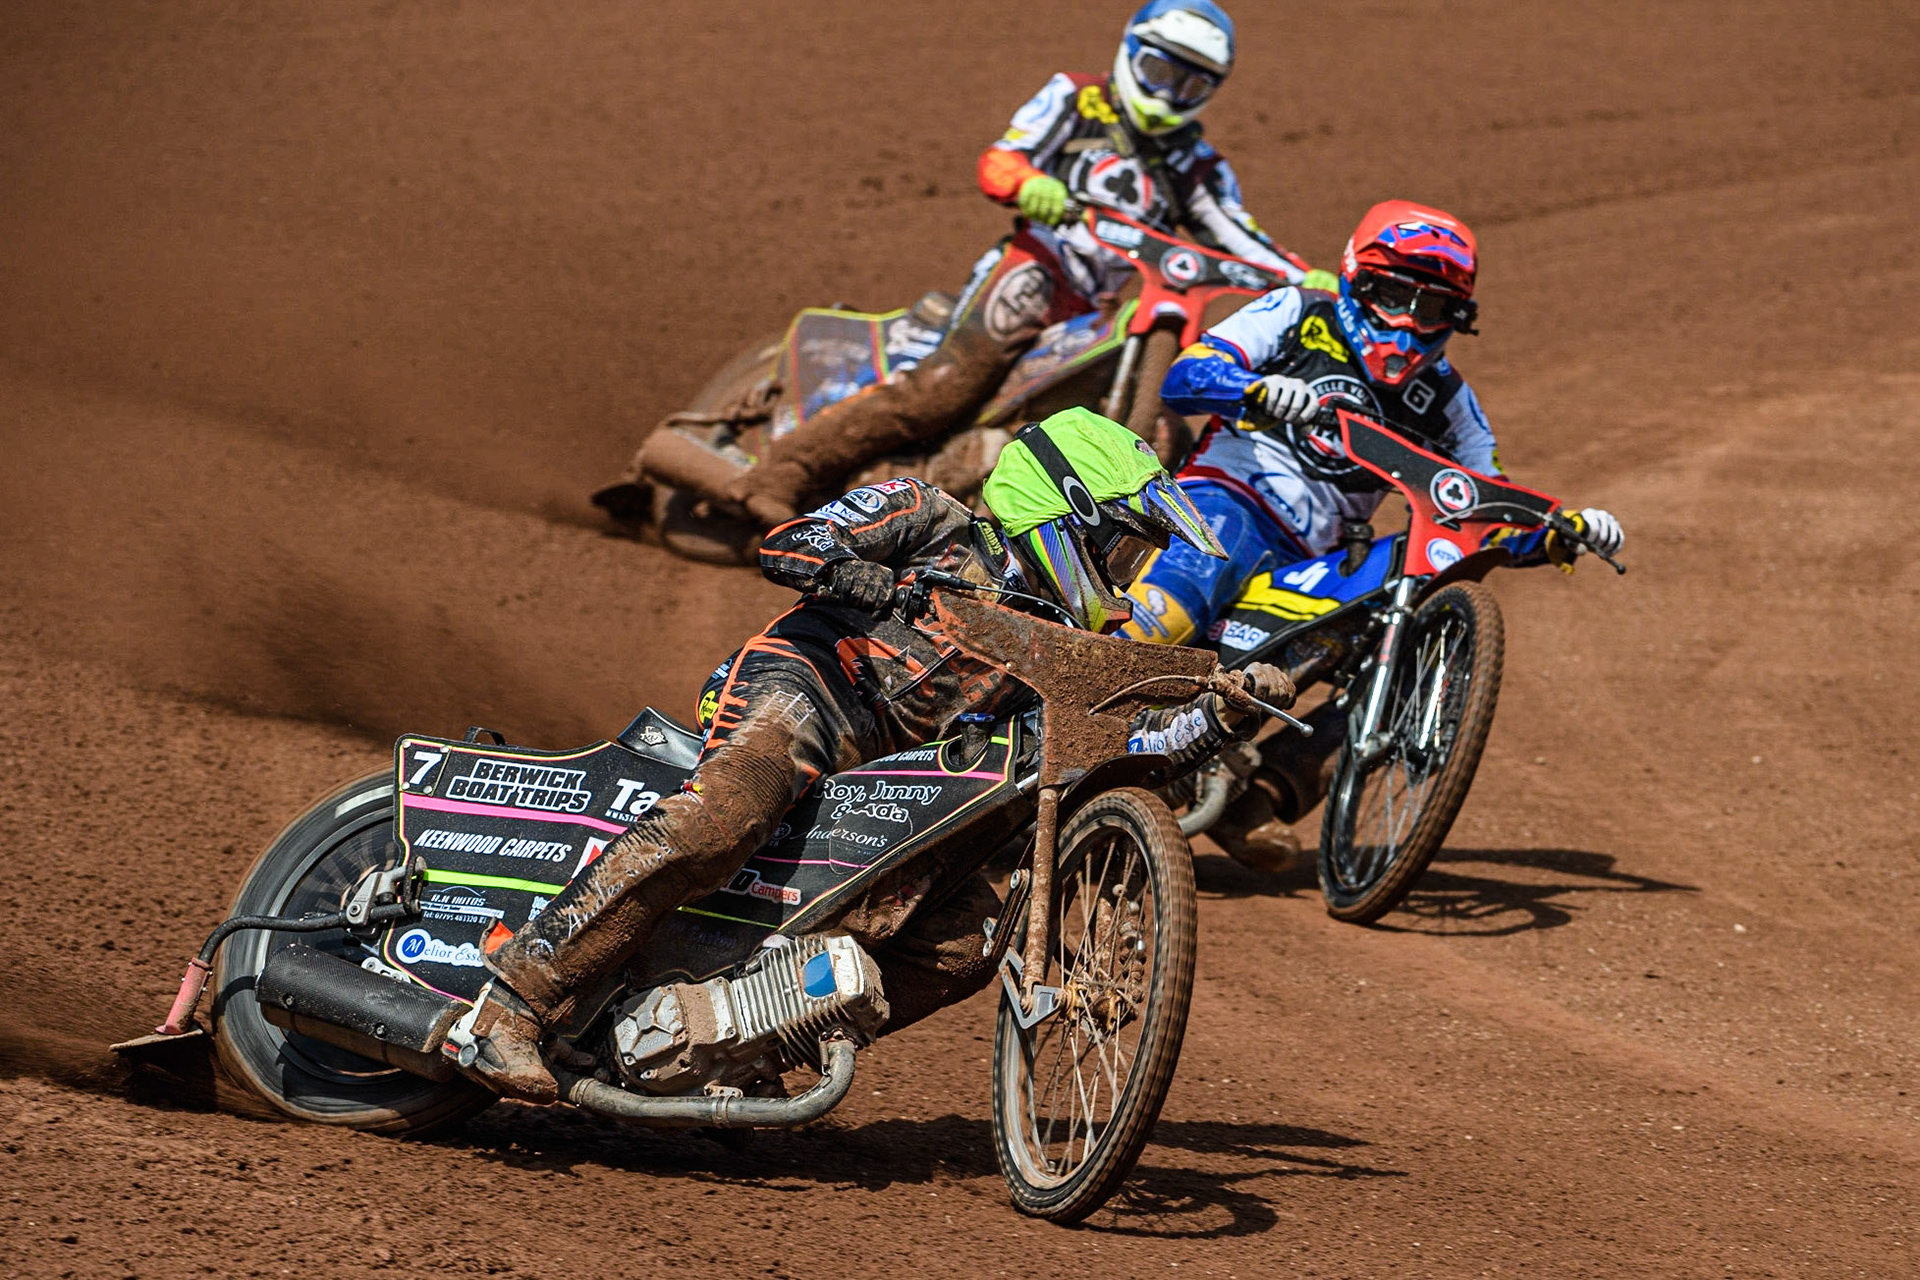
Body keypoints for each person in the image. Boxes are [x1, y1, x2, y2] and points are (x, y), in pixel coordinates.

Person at [461, 408, 1295, 1102]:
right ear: (1068, 511)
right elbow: (790, 541)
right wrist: (850, 573)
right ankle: (514, 1004)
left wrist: (1221, 712)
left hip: (907, 779)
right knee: (728, 814)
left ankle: (739, 1048)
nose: (1128, 572)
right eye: (1123, 546)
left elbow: (1129, 745)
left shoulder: (1073, 646)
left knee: (964, 945)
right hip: (813, 688)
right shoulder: (929, 513)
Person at [1117, 199, 1626, 866]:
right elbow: (1187, 375)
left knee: (1404, 624)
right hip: (1228, 499)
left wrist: (1564, 533)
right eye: (1393, 296)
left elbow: (1484, 506)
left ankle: (1256, 793)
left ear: (1457, 318)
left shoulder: (1447, 401)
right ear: (1357, 280)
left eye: (1432, 307)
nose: (1409, 321)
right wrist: (1254, 390)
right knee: (1167, 613)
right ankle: (1058, 720)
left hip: (1320, 554)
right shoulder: (1299, 312)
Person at [730, 0, 1314, 527]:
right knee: (943, 390)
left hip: (1102, 309)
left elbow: (1240, 236)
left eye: (1189, 84)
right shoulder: (1076, 99)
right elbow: (1003, 158)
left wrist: (1306, 280)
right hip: (1036, 270)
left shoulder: (1199, 166)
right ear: (1131, 53)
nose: (1167, 94)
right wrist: (1030, 184)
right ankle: (780, 475)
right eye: (1159, 71)